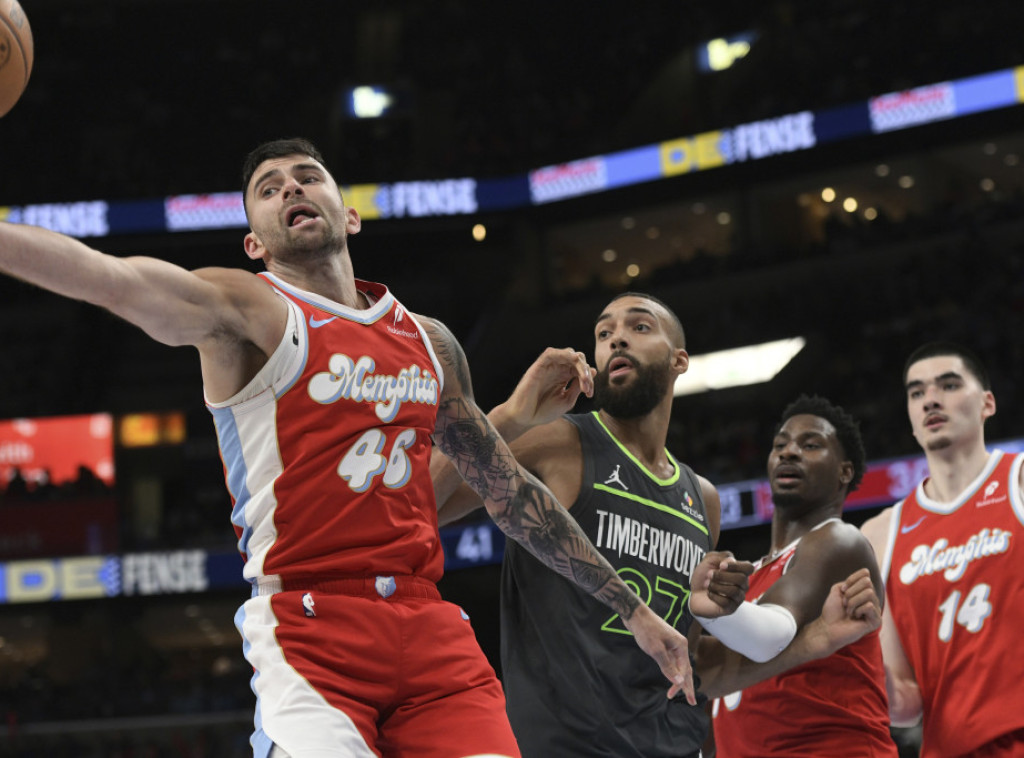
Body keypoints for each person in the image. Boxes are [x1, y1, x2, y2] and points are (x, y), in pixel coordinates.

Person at [0, 139, 699, 758]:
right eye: (269, 189)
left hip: (429, 628)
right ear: (254, 243)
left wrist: (632, 609)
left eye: (307, 177)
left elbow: (508, 492)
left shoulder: (429, 341)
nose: (291, 189)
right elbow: (112, 278)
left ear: (350, 214)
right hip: (310, 624)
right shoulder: (247, 312)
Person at [432, 293, 883, 758]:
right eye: (603, 333)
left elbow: (692, 664)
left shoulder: (702, 499)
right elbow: (420, 503)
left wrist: (814, 640)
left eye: (639, 326)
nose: (616, 339)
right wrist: (510, 415)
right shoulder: (556, 440)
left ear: (678, 360)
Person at [709, 394, 897, 757]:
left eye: (810, 445)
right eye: (780, 445)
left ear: (845, 471)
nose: (789, 453)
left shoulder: (839, 541)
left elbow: (767, 636)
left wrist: (701, 606)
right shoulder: (753, 576)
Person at [861, 341, 1024, 757]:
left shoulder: (1018, 481)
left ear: (987, 403)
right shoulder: (880, 534)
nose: (930, 399)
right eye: (917, 392)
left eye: (949, 385)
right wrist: (865, 670)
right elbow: (906, 706)